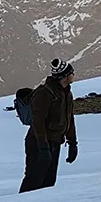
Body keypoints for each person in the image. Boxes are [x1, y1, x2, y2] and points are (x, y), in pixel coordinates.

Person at [20, 59, 78, 193]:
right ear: (64, 76)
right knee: (34, 180)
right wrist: (43, 148)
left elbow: (69, 119)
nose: (73, 75)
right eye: (71, 72)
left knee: (49, 181)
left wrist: (72, 143)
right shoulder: (44, 93)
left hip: (54, 143)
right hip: (38, 143)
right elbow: (38, 123)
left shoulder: (66, 93)